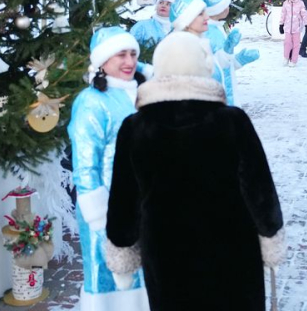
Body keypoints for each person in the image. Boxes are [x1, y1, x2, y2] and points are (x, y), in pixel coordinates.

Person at [105, 31, 285, 310]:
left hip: (166, 252)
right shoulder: (233, 121)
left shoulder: (135, 127)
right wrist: (270, 234)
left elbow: (124, 199)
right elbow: (259, 188)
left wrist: (122, 247)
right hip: (233, 249)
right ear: (204, 68)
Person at [67, 27, 149, 310]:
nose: (129, 62)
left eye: (133, 54)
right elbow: (85, 165)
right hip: (106, 209)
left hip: (141, 204)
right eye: (120, 55)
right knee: (108, 279)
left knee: (142, 278)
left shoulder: (141, 95)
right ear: (102, 61)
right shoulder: (91, 101)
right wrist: (100, 216)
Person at [199, 0, 259, 105]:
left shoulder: (217, 28)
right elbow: (213, 65)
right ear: (217, 9)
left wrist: (239, 60)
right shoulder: (208, 32)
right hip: (216, 95)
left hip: (226, 91)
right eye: (226, 5)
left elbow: (225, 64)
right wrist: (227, 52)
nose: (228, 8)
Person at [279, 0, 307, 67]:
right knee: (287, 43)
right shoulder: (285, 3)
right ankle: (286, 58)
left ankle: (293, 60)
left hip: (297, 28)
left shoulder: (300, 3)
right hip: (288, 27)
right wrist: (281, 24)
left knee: (296, 44)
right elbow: (283, 14)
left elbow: (304, 14)